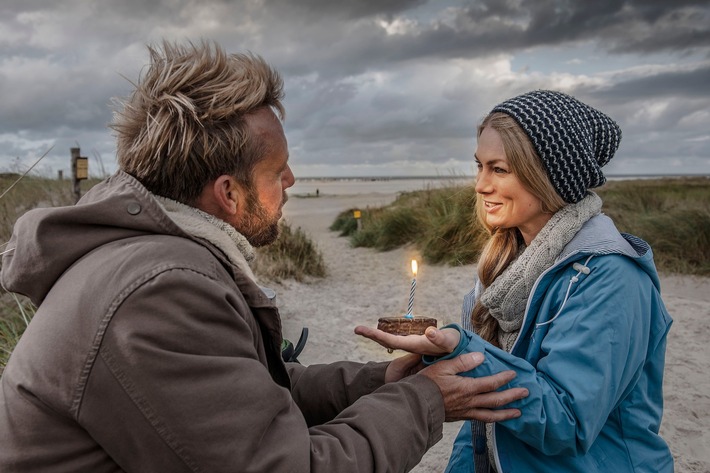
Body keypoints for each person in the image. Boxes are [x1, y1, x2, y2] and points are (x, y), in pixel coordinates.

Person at [0, 40, 529, 472]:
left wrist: (383, 382)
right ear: (229, 194)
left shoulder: (150, 260)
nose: (293, 182)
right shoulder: (157, 291)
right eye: (279, 172)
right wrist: (428, 401)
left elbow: (246, 395)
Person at [356, 90, 673, 472]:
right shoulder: (503, 265)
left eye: (499, 169)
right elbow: (484, 429)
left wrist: (465, 353)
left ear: (548, 175)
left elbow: (566, 423)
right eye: (479, 166)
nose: (480, 185)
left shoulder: (610, 277)